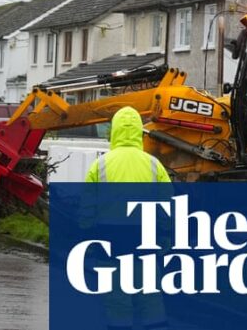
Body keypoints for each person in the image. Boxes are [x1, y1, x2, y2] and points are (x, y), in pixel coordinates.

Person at [85, 106, 171, 330]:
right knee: (149, 291)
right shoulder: (153, 164)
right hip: (145, 234)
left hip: (109, 235)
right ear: (139, 132)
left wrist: (85, 231)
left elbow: (87, 205)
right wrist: (165, 235)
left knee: (116, 293)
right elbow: (167, 205)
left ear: (114, 131)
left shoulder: (101, 164)